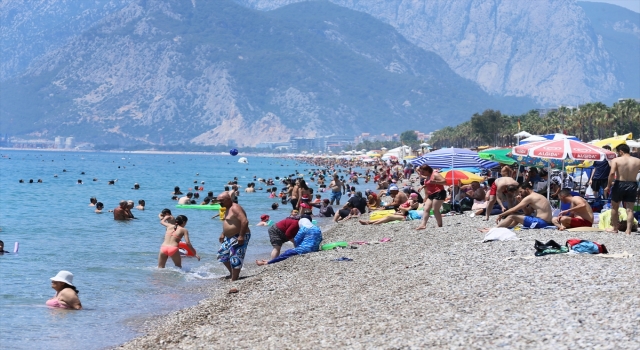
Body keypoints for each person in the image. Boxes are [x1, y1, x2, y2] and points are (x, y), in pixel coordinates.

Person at [605, 144, 640, 234]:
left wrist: (608, 186)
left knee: (615, 207)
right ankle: (628, 230)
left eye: (618, 152)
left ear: (621, 151)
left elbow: (612, 173)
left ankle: (615, 228)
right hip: (632, 184)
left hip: (620, 183)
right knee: (630, 209)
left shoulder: (616, 160)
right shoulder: (637, 161)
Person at [485, 183, 553, 230]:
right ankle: (506, 227)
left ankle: (495, 229)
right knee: (518, 216)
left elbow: (513, 209)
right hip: (545, 222)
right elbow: (528, 213)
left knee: (512, 216)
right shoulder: (537, 196)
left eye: (521, 191)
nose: (520, 194)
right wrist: (521, 201)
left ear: (526, 189)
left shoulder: (530, 197)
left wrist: (501, 215)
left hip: (541, 222)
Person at [256, 218, 322, 266]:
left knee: (286, 253)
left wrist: (296, 248)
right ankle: (272, 261)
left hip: (305, 249)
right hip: (315, 249)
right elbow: (320, 239)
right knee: (277, 248)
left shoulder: (303, 229)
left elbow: (297, 240)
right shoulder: (317, 228)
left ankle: (268, 263)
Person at [216, 192, 251, 281]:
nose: (219, 203)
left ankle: (234, 279)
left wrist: (241, 236)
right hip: (229, 237)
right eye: (218, 202)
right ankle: (232, 273)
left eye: (221, 201)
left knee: (235, 257)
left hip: (238, 235)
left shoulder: (235, 208)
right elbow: (229, 222)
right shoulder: (227, 208)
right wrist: (223, 233)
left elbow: (245, 221)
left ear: (228, 199)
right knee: (222, 254)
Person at [415, 165, 446, 230]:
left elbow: (444, 181)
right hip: (431, 194)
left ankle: (440, 226)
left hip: (439, 193)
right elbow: (427, 182)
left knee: (435, 210)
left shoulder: (435, 174)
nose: (421, 173)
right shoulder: (428, 176)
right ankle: (423, 225)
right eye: (421, 171)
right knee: (426, 209)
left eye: (423, 171)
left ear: (427, 170)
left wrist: (435, 182)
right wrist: (422, 187)